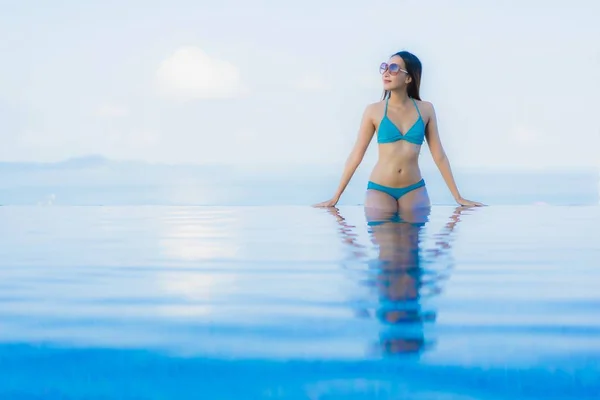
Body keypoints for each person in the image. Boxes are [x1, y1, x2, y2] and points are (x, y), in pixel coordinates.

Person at [313, 50, 484, 210]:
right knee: (386, 238)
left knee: (414, 241)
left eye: (394, 68)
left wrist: (458, 197)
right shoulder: (374, 110)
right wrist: (336, 197)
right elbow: (356, 155)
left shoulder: (426, 110)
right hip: (380, 189)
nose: (386, 72)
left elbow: (439, 156)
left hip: (414, 189)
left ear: (408, 78)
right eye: (384, 67)